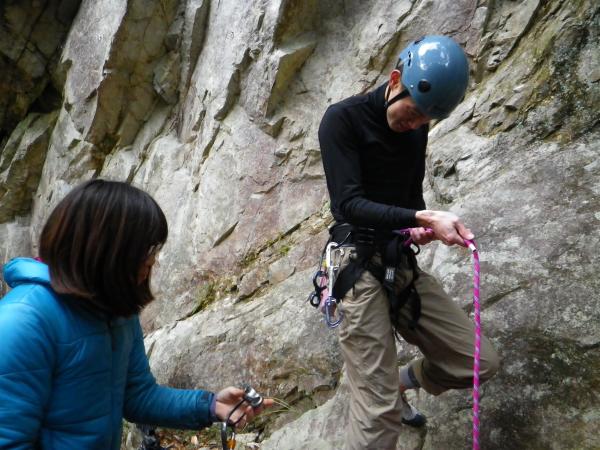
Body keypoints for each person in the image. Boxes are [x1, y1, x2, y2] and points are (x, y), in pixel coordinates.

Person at [318, 35, 500, 449]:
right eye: (413, 112)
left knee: (478, 363)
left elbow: (410, 198)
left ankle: (402, 381)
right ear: (395, 80)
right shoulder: (342, 120)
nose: (415, 124)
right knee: (378, 412)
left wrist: (420, 224)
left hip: (399, 263)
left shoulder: (416, 133)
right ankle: (385, 394)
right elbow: (348, 204)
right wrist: (420, 217)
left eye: (425, 120)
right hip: (356, 264)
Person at [0, 179, 272, 449]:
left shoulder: (113, 308)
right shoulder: (22, 322)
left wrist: (211, 406)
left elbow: (138, 395)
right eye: (146, 251)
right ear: (106, 250)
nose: (153, 260)